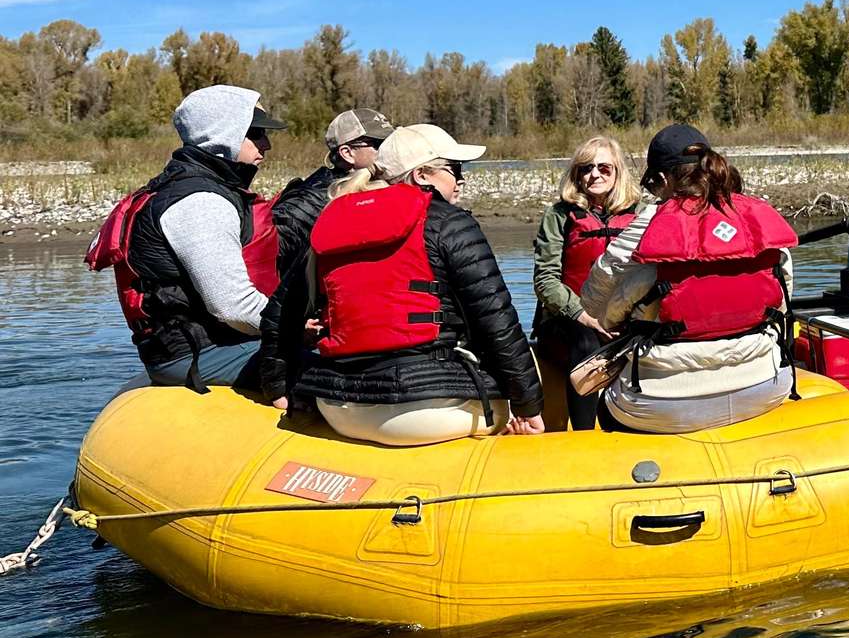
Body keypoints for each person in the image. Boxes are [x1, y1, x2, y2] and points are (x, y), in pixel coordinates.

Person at [260, 124, 545, 445]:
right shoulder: (451, 223)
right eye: (455, 169)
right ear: (421, 175)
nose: (461, 181)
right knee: (513, 390)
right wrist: (528, 409)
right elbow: (499, 326)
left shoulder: (332, 220)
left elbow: (277, 316)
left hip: (339, 410)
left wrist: (277, 389)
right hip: (423, 413)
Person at [579, 124, 797, 434]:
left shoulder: (648, 225)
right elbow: (784, 295)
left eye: (654, 186)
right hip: (765, 384)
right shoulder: (755, 217)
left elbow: (595, 304)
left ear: (665, 179)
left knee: (605, 405)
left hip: (662, 401)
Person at [88, 85, 288, 391]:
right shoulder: (200, 202)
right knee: (337, 363)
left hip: (196, 348)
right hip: (198, 355)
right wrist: (295, 327)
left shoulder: (188, 186)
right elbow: (232, 308)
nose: (267, 145)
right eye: (257, 134)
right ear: (226, 135)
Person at [531, 136, 641, 430]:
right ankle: (583, 432)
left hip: (620, 319)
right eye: (586, 168)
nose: (595, 175)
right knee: (585, 340)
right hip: (566, 323)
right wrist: (586, 317)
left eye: (604, 168)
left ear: (618, 172)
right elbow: (545, 280)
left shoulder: (639, 216)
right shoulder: (558, 215)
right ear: (576, 174)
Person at [270, 108, 395, 281]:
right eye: (379, 144)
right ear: (347, 153)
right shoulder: (307, 202)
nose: (390, 150)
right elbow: (267, 258)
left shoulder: (376, 190)